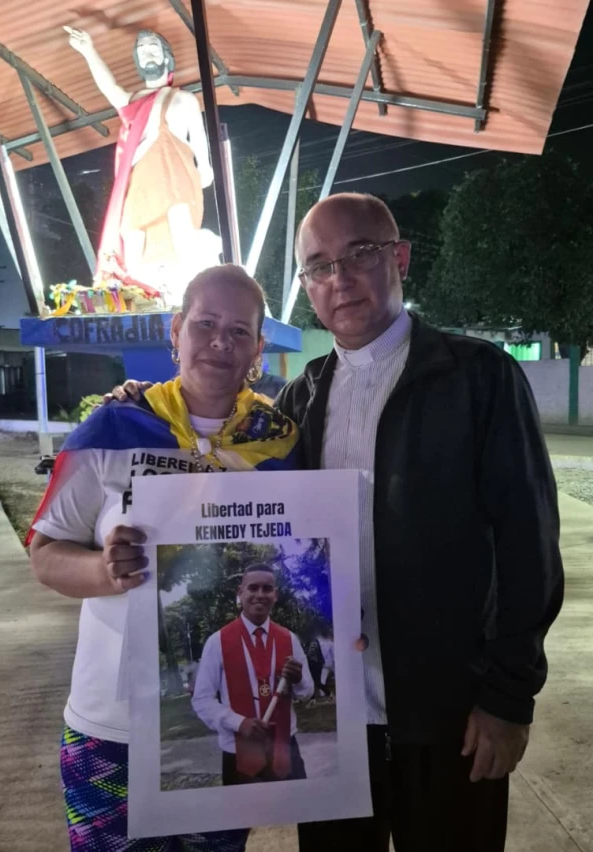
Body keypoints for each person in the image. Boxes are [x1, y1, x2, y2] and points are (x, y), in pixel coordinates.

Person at [107, 193, 563, 852]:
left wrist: (508, 699)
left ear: (399, 257)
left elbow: (529, 546)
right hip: (333, 721)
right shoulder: (301, 397)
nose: (339, 278)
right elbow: (225, 475)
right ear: (306, 289)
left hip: (448, 710)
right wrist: (139, 402)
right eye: (318, 266)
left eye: (360, 254)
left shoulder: (476, 378)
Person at [28, 265, 299, 852]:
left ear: (259, 347)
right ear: (176, 331)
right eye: (204, 324)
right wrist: (101, 572)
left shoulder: (281, 446)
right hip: (110, 724)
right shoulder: (112, 427)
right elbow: (45, 553)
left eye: (239, 330)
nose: (220, 342)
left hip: (221, 731)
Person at [65, 26, 217, 301]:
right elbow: (108, 86)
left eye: (153, 47)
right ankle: (140, 300)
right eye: (141, 49)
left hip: (176, 186)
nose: (146, 52)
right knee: (133, 242)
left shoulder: (185, 100)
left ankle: (188, 300)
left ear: (166, 58)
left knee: (181, 241)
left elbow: (202, 156)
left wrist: (204, 169)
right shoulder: (132, 101)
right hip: (138, 188)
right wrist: (89, 50)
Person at [192, 564, 314, 785]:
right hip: (239, 754)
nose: (260, 595)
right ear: (240, 592)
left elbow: (306, 693)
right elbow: (201, 699)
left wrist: (299, 680)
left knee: (296, 814)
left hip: (285, 749)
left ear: (275, 595)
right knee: (243, 818)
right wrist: (239, 723)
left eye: (267, 589)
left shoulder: (289, 639)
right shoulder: (217, 642)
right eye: (253, 588)